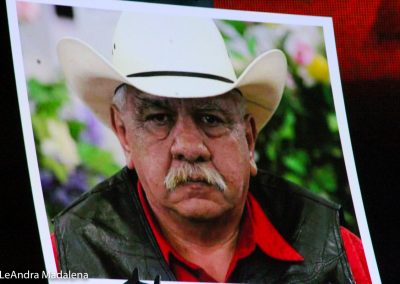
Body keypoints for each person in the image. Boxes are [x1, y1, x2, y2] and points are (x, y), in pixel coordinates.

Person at [53, 12, 371, 283]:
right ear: (124, 135)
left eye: (210, 118)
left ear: (248, 138)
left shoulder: (336, 248)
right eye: (159, 118)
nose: (190, 147)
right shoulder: (67, 255)